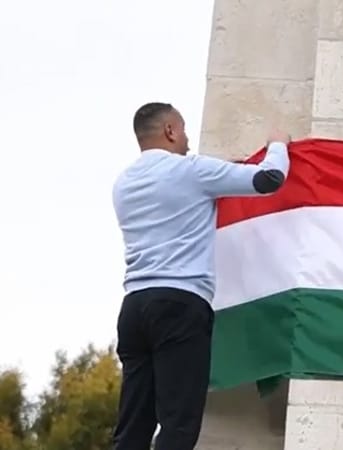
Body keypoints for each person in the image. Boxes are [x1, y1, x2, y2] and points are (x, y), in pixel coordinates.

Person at [110, 102, 292, 450]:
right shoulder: (191, 170)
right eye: (184, 131)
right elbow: (268, 179)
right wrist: (278, 144)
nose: (188, 141)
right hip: (179, 305)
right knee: (179, 423)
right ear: (170, 131)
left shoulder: (123, 184)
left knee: (133, 426)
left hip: (134, 308)